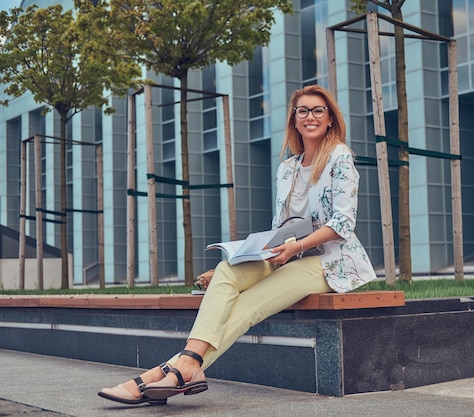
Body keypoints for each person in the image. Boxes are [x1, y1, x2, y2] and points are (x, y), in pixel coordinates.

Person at [98, 84, 377, 405]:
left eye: (318, 110)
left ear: (329, 119)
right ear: (295, 120)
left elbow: (343, 223)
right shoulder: (287, 169)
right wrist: (253, 255)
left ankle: (157, 376)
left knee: (246, 304)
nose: (310, 116)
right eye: (303, 110)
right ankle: (184, 369)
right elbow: (281, 228)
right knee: (226, 271)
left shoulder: (339, 157)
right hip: (286, 253)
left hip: (330, 262)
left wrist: (295, 249)